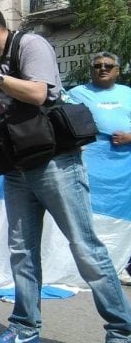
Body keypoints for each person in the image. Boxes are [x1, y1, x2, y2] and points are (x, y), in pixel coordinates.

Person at [0, 2, 131, 343]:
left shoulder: (30, 45)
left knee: (85, 248)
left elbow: (40, 92)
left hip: (55, 161)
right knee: (22, 250)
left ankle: (121, 331)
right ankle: (24, 327)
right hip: (17, 165)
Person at [68, 51, 131, 284]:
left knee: (124, 215)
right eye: (97, 65)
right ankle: (93, 266)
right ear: (91, 69)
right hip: (91, 165)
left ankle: (121, 262)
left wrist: (129, 137)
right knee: (89, 215)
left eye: (108, 65)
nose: (102, 68)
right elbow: (61, 121)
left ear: (118, 70)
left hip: (124, 168)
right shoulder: (75, 94)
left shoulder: (128, 94)